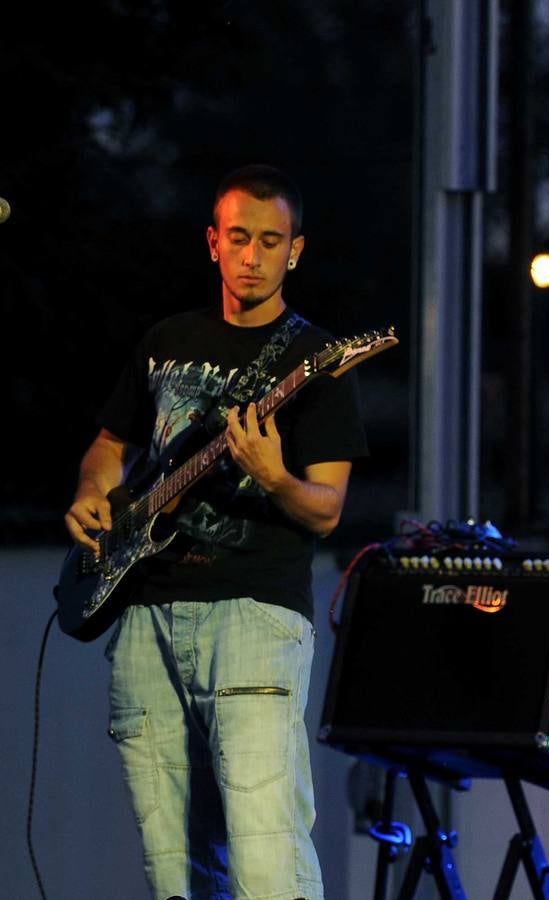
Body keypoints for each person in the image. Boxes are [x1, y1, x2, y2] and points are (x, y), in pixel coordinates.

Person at [63, 164, 367, 900]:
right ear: (213, 243)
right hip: (145, 614)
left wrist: (270, 475)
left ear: (295, 251)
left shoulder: (314, 359)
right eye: (239, 238)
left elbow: (326, 509)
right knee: (175, 870)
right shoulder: (165, 340)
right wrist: (91, 491)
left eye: (271, 241)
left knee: (267, 862)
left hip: (253, 616)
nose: (253, 255)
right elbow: (109, 446)